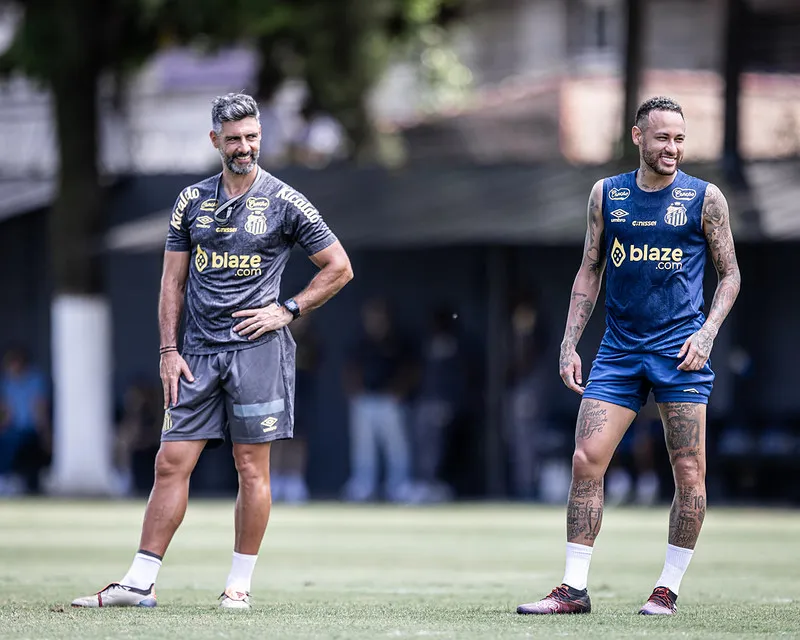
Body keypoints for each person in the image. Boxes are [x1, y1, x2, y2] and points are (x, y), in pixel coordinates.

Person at [72, 92, 353, 610]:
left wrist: (287, 310)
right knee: (169, 462)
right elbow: (171, 282)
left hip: (257, 353)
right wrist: (168, 349)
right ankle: (139, 583)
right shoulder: (191, 200)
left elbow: (339, 267)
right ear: (215, 141)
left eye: (252, 137)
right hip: (197, 354)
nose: (245, 147)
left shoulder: (285, 201)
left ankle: (238, 586)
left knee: (251, 467)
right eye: (234, 139)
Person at [517, 96, 740, 616]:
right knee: (585, 460)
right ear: (638, 137)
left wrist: (707, 333)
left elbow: (730, 274)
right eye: (662, 138)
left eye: (680, 139)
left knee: (689, 471)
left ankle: (667, 589)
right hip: (618, 351)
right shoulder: (607, 194)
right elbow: (590, 268)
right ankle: (573, 589)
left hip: (680, 351)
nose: (672, 148)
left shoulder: (705, 198)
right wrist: (569, 342)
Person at [341, 297, 415, 503]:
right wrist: (355, 393)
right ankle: (364, 486)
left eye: (378, 315)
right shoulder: (359, 340)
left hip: (391, 401)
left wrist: (399, 392)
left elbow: (411, 369)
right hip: (365, 399)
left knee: (397, 447)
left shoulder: (398, 340)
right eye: (371, 316)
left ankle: (399, 486)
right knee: (363, 447)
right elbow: (350, 369)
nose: (374, 319)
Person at [0, 346, 51, 495]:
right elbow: (6, 412)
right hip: (13, 429)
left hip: (31, 430)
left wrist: (45, 433)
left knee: (11, 441)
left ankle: (5, 477)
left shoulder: (35, 380)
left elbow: (40, 409)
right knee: (6, 439)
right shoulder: (7, 382)